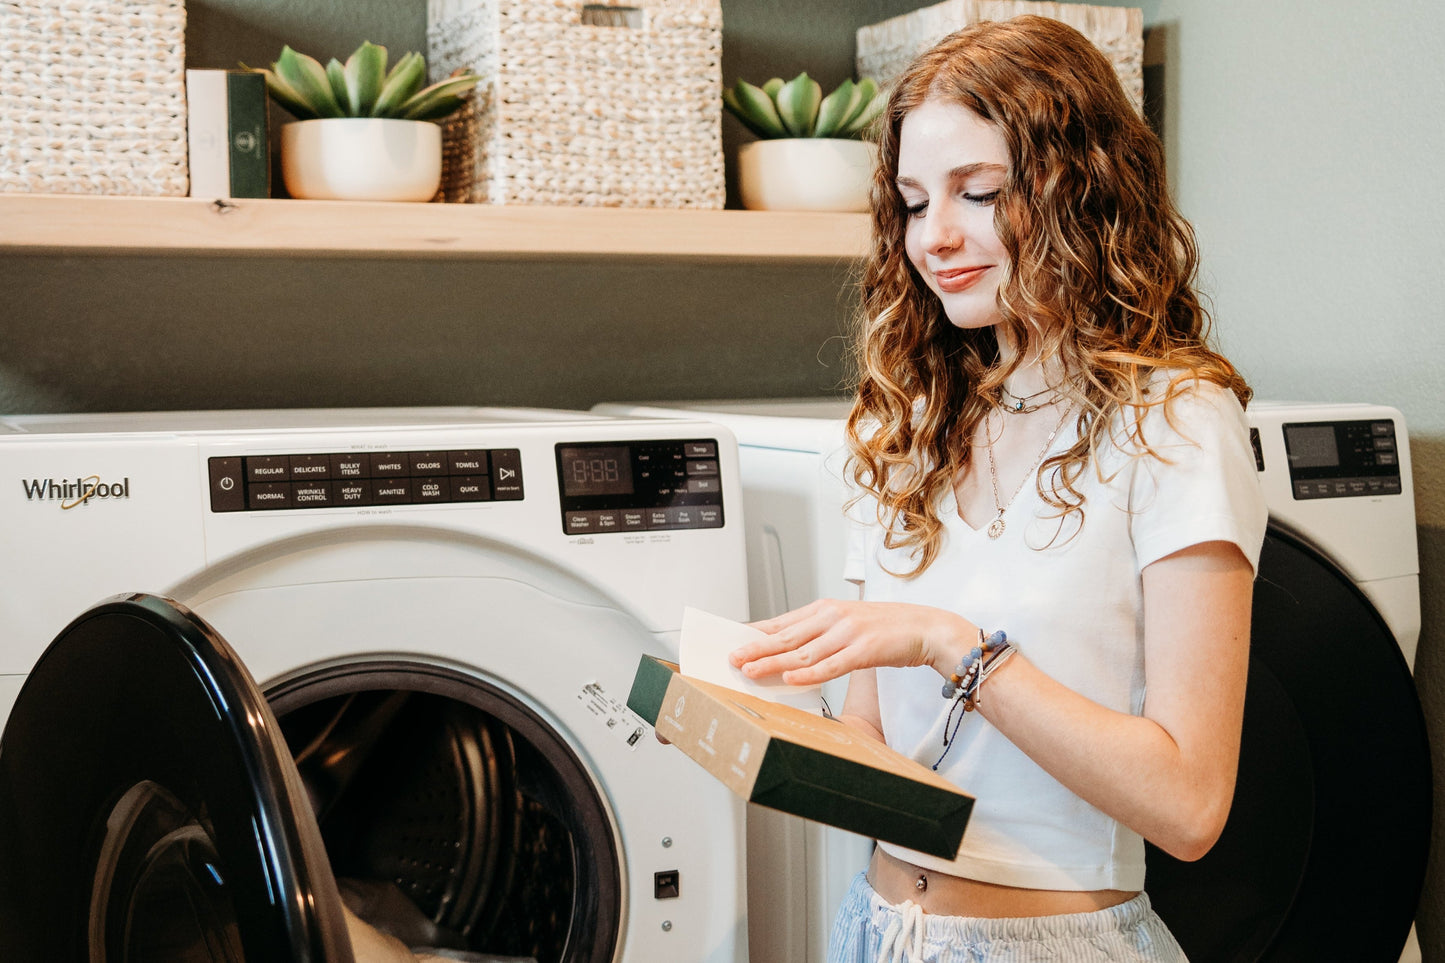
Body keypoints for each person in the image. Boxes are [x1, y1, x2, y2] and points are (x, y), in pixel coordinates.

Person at [729, 15, 1267, 963]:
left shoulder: (1174, 422)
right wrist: (750, 725)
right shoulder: (907, 423)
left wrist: (951, 644)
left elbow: (1189, 806)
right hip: (873, 931)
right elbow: (877, 747)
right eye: (909, 201)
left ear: (1082, 190)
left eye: (978, 193)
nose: (934, 237)